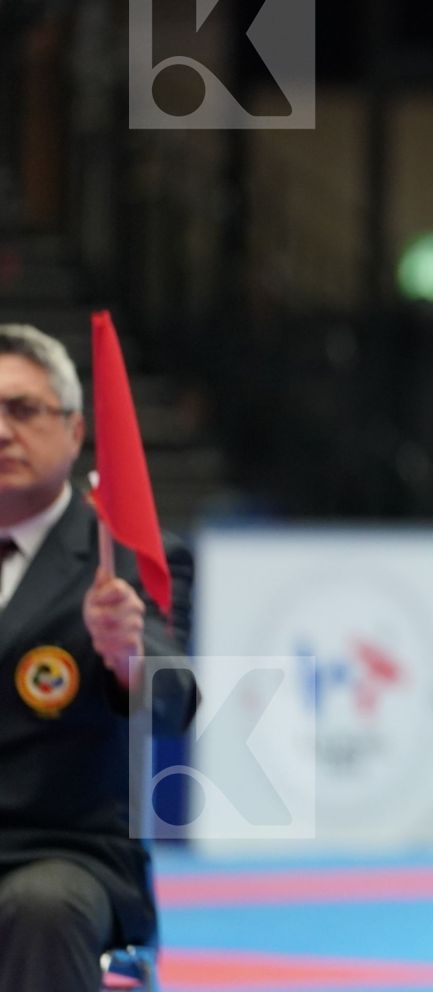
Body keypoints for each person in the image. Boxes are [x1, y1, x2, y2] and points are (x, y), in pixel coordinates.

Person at [0, 324, 196, 991]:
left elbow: (175, 700)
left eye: (22, 410)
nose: (1, 431)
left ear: (75, 429)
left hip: (63, 854)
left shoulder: (128, 554)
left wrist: (128, 654)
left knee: (42, 908)